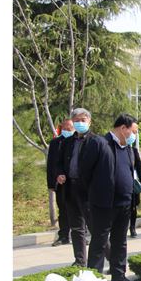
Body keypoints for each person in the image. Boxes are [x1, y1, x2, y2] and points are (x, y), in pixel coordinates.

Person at [78, 113, 139, 281]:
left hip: (125, 203)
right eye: (133, 131)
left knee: (120, 241)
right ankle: (94, 280)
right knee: (100, 241)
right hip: (104, 204)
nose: (134, 136)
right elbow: (84, 173)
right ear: (123, 128)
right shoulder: (100, 143)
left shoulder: (127, 148)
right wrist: (95, 193)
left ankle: (118, 274)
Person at [60, 107, 94, 266]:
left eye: (83, 120)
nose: (80, 123)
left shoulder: (95, 141)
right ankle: (80, 260)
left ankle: (111, 259)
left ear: (89, 121)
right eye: (77, 121)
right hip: (70, 189)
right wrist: (60, 174)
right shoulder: (67, 142)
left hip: (87, 191)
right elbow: (59, 163)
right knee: (76, 227)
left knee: (95, 228)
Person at [47, 118, 74, 246]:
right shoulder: (55, 143)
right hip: (61, 183)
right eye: (65, 128)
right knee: (63, 210)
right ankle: (63, 236)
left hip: (76, 183)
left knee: (78, 210)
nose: (67, 130)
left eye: (70, 128)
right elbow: (51, 164)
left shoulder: (78, 142)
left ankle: (80, 235)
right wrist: (51, 183)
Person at [128, 121, 141, 238]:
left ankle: (132, 227)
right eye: (133, 132)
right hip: (122, 184)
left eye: (136, 133)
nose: (134, 135)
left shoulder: (133, 150)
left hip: (133, 183)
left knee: (134, 206)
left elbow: (139, 166)